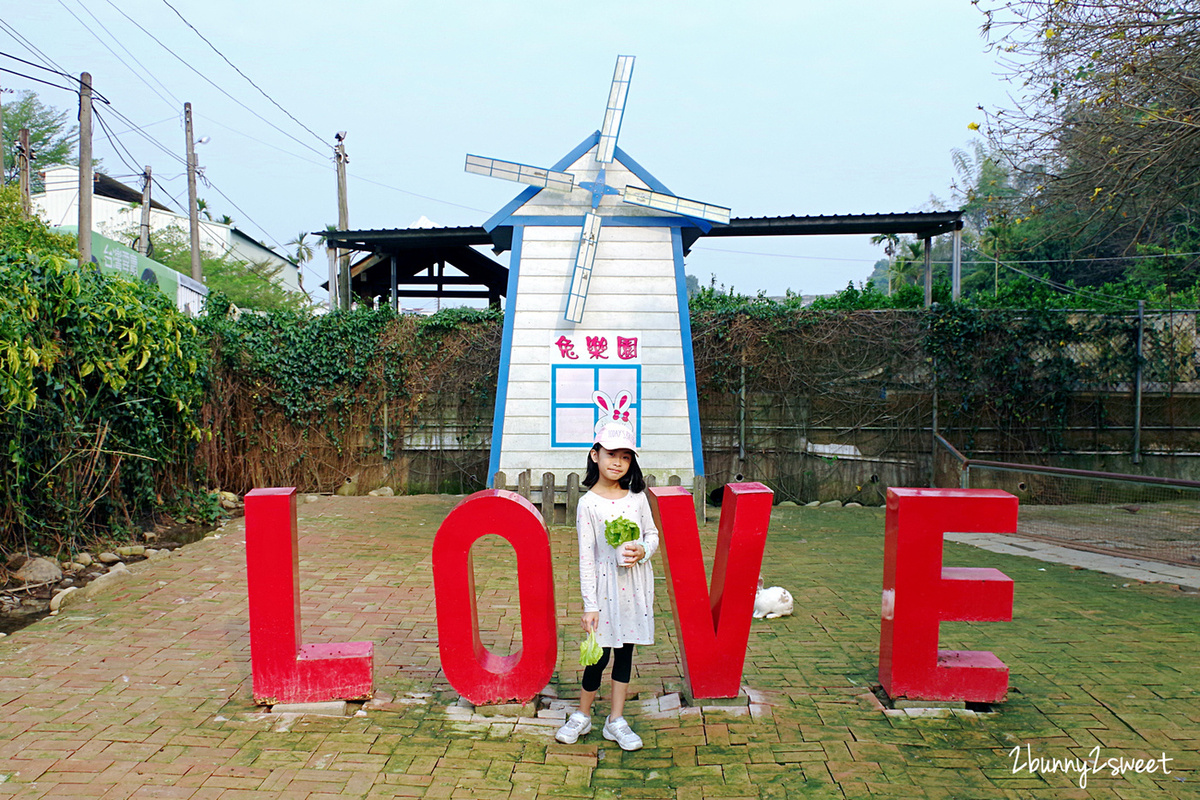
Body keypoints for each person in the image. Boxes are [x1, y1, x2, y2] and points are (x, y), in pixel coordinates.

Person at [555, 421, 659, 751]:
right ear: (595, 454)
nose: (617, 462)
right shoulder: (588, 504)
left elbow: (652, 535)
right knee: (597, 656)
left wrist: (642, 550)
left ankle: (616, 720)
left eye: (625, 457)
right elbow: (587, 556)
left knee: (625, 653)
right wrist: (590, 604)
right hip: (603, 589)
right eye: (611, 454)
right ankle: (583, 715)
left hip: (634, 586)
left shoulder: (637, 498)